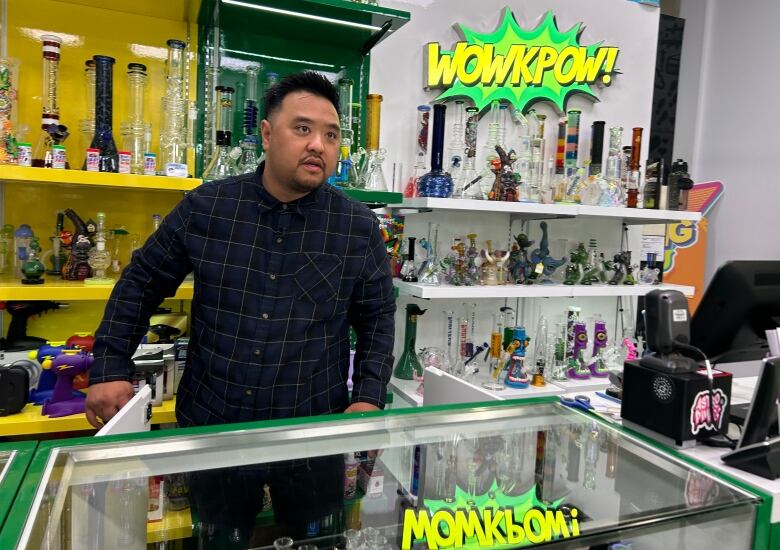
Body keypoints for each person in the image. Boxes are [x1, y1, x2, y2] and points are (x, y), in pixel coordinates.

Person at [86, 71, 396, 545]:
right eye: (303, 128)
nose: (318, 144)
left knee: (318, 541)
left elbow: (376, 317)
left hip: (313, 431)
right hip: (217, 426)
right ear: (268, 135)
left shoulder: (355, 227)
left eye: (331, 135)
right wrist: (109, 366)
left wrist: (369, 396)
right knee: (219, 540)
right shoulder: (208, 209)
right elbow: (140, 283)